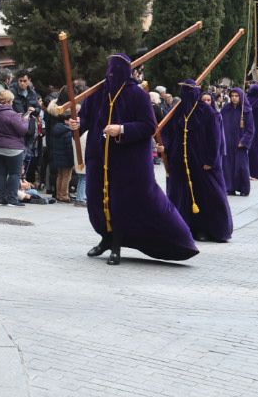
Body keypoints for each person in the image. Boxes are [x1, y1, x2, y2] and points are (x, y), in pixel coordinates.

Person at [76, 55, 198, 265]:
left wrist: (121, 129)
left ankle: (117, 245)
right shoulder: (97, 94)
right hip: (99, 160)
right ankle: (106, 238)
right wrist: (75, 124)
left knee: (123, 204)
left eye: (116, 72)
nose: (111, 76)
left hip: (128, 163)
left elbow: (149, 126)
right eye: (109, 71)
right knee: (97, 201)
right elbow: (84, 122)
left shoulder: (137, 95)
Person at [159, 80, 233, 243]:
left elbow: (215, 138)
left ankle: (205, 229)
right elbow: (168, 133)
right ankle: (182, 227)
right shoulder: (177, 112)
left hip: (201, 163)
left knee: (205, 196)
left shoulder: (207, 112)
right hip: (180, 163)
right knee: (181, 195)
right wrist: (166, 148)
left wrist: (211, 160)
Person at [0, 91, 30, 206]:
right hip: (13, 149)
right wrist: (25, 120)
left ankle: (0, 198)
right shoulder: (12, 115)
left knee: (0, 172)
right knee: (14, 174)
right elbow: (23, 130)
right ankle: (12, 199)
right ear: (10, 101)